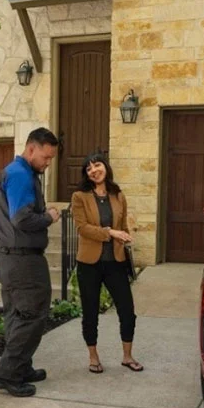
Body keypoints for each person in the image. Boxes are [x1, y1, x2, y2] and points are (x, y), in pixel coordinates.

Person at [0, 127, 60, 397]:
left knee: (17, 315)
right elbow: (22, 219)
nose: (47, 162)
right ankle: (8, 374)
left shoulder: (19, 172)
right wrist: (49, 217)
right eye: (45, 157)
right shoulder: (20, 175)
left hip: (13, 260)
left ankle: (20, 367)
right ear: (31, 149)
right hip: (23, 262)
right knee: (32, 317)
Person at [71, 152, 142, 374]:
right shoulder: (79, 197)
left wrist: (126, 237)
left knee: (127, 311)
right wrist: (110, 232)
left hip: (116, 262)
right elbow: (82, 228)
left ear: (105, 167)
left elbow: (123, 225)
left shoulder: (118, 194)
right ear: (86, 174)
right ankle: (93, 357)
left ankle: (127, 356)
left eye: (97, 165)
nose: (94, 170)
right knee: (90, 312)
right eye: (89, 168)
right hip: (89, 264)